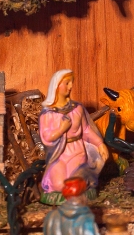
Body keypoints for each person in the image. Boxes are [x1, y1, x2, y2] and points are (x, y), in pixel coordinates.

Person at [39, 69, 108, 204]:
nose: (71, 87)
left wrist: (100, 144)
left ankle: (83, 184)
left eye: (71, 83)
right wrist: (61, 129)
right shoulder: (48, 113)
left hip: (77, 152)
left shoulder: (77, 109)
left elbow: (86, 130)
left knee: (75, 185)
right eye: (67, 83)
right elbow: (46, 137)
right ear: (57, 85)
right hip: (59, 154)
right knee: (59, 185)